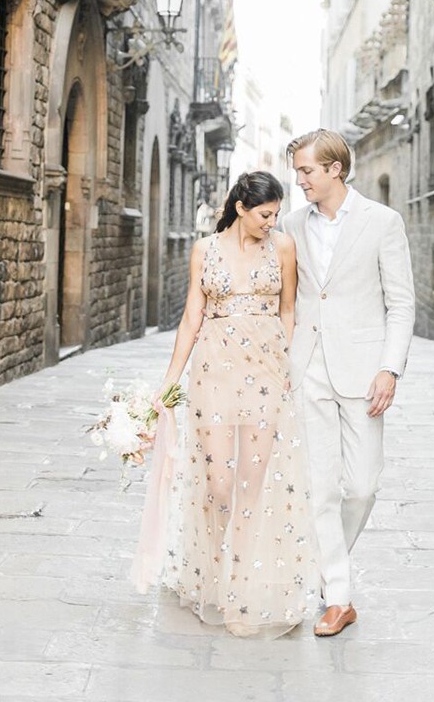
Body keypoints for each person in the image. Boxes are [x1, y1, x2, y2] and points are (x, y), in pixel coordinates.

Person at [151, 171, 316, 638]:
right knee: (220, 484)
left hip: (265, 372)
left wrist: (284, 366)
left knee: (254, 483)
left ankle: (242, 593)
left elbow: (289, 309)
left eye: (277, 214)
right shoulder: (205, 250)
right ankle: (217, 573)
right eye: (266, 213)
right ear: (241, 208)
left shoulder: (282, 247)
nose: (273, 221)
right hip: (214, 371)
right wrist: (169, 382)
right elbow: (190, 316)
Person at [282, 129, 415, 637]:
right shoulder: (292, 225)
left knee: (361, 485)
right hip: (307, 365)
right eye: (297, 172)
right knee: (319, 487)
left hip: (363, 369)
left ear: (335, 168)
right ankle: (338, 596)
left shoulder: (382, 223)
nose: (300, 181)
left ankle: (321, 565)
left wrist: (390, 366)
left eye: (307, 171)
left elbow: (400, 302)